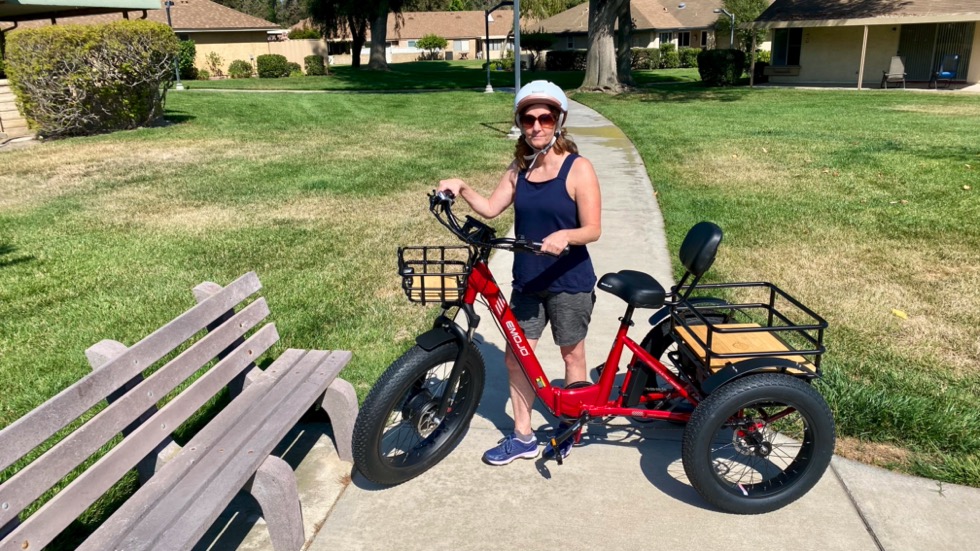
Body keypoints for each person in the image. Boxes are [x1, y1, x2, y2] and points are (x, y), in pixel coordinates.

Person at [437, 80, 601, 465]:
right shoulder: (520, 168)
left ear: (559, 121)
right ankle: (523, 436)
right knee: (517, 357)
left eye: (545, 117)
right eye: (529, 119)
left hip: (569, 280)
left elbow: (593, 228)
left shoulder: (578, 169)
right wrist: (461, 186)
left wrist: (567, 235)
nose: (537, 126)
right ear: (521, 123)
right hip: (528, 279)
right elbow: (492, 208)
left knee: (571, 353)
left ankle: (572, 420)